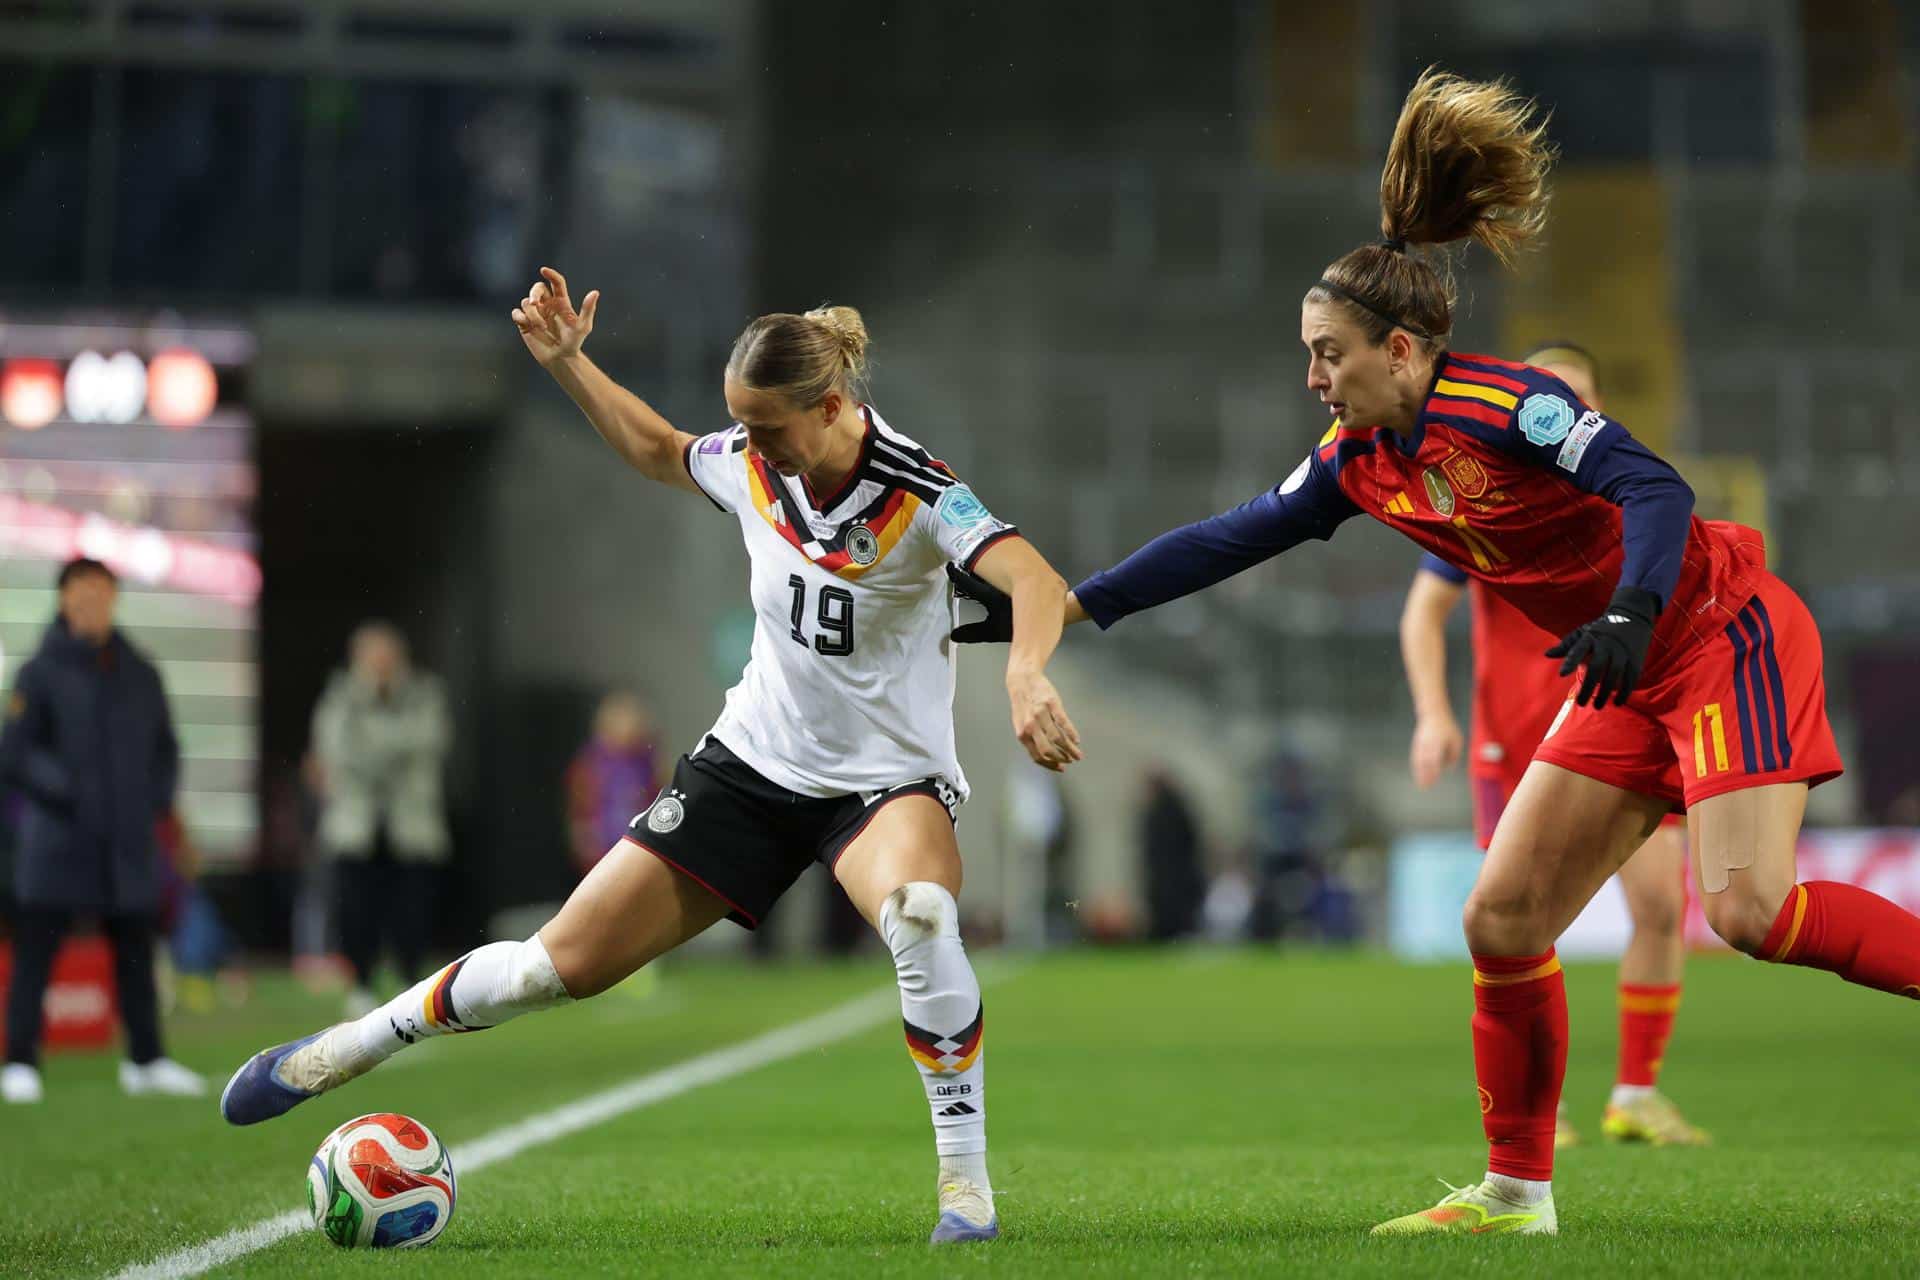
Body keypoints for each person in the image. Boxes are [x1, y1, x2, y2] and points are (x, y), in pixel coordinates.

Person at [954, 69, 1904, 1237]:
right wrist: (1068, 605)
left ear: (1401, 351)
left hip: (1718, 634)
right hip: (1629, 666)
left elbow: (1653, 484)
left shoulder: (1505, 406)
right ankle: (1517, 1194)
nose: (1313, 376)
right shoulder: (1355, 458)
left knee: (1750, 914)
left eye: (1327, 354)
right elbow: (1227, 540)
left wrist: (1634, 609)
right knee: (1500, 917)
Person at [222, 269, 1083, 1246]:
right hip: (750, 766)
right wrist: (571, 366)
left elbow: (1033, 576)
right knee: (551, 968)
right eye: (743, 428)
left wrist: (1024, 673)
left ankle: (965, 1194)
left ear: (833, 404)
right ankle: (342, 1048)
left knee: (921, 915)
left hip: (884, 784)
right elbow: (660, 447)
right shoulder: (760, 465)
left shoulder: (921, 490)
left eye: (768, 429)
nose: (751, 450)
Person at [1398, 341, 1704, 1148]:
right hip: (1519, 738)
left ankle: (1636, 1094)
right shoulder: (1488, 498)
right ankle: (1543, 1109)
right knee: (1521, 925)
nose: (1548, 416)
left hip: (1623, 722)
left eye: (1571, 401)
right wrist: (1434, 713)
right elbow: (1423, 612)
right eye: (1539, 397)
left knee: (1663, 907)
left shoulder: (1626, 498)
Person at [0, 558, 205, 1103]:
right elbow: (16, 753)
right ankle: (20, 1061)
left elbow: (166, 750)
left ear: (114, 598)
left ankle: (146, 1060)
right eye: (81, 592)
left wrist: (152, 802)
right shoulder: (38, 672)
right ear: (64, 600)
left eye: (103, 591)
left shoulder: (141, 672)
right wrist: (67, 792)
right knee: (37, 952)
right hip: (58, 839)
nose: (93, 601)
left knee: (135, 951)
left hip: (126, 841)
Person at [309, 621, 452, 1015]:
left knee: (412, 908)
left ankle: (411, 982)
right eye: (372, 656)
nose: (381, 664)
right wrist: (388, 740)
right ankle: (361, 982)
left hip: (412, 825)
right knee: (356, 908)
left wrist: (372, 742)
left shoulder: (425, 694)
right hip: (357, 826)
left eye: (387, 655)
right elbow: (335, 749)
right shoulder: (341, 697)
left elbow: (431, 740)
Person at [565, 690, 661, 878]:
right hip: (600, 852)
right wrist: (584, 838)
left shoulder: (647, 763)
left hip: (638, 849)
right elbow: (579, 811)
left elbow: (656, 800)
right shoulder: (590, 763)